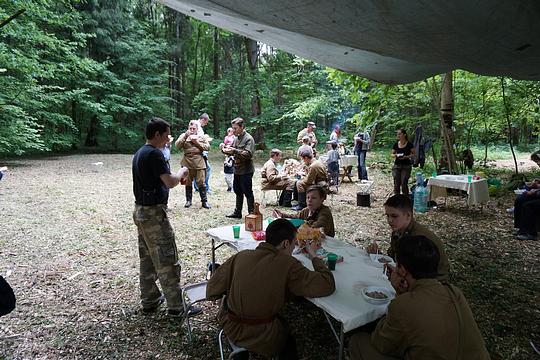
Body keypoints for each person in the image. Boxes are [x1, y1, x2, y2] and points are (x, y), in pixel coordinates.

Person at [206, 218, 335, 359]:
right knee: (289, 341)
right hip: (262, 335)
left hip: (229, 325)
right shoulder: (289, 265)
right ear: (286, 243)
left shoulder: (241, 256)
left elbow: (211, 291)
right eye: (294, 244)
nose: (293, 248)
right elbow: (326, 284)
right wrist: (314, 256)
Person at [349, 235, 490, 360]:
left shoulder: (403, 306)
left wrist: (399, 295)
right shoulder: (454, 292)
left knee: (358, 341)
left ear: (402, 270)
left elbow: (381, 344)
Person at [132, 117, 191, 317]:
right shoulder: (154, 154)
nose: (168, 139)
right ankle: (176, 307)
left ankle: (150, 300)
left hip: (141, 211)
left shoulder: (140, 152)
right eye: (166, 135)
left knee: (147, 258)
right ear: (156, 134)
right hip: (154, 215)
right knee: (167, 258)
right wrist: (182, 171)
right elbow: (170, 182)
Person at [367, 194, 449, 281]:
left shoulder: (419, 239)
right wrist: (378, 256)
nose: (389, 220)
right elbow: (395, 259)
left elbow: (419, 273)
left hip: (432, 282)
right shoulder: (398, 232)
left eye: (394, 216)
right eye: (387, 216)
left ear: (408, 216)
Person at [223, 117, 255, 218]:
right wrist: (224, 149)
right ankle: (237, 212)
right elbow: (230, 151)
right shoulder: (236, 138)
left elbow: (248, 154)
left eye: (235, 128)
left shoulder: (249, 138)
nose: (233, 130)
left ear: (242, 127)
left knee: (248, 192)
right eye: (233, 128)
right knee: (238, 191)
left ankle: (251, 213)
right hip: (237, 169)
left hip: (246, 169)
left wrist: (235, 151)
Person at [175, 120, 211, 209]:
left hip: (199, 160)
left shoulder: (201, 136)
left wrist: (196, 143)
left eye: (193, 128)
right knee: (188, 181)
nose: (191, 130)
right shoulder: (183, 135)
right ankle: (188, 201)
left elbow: (207, 147)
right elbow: (177, 146)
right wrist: (185, 136)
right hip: (187, 161)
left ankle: (204, 202)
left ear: (197, 129)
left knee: (201, 182)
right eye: (190, 128)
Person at [391, 128, 415, 195]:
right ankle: (397, 198)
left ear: (404, 135)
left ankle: (405, 199)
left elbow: (414, 154)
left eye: (399, 134)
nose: (398, 135)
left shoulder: (409, 144)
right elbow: (392, 154)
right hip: (397, 165)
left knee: (404, 182)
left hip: (406, 166)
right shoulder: (396, 144)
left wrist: (406, 157)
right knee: (396, 183)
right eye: (397, 134)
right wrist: (396, 155)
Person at [193, 113, 212, 193]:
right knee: (207, 169)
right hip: (200, 151)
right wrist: (205, 140)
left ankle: (198, 187)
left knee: (199, 169)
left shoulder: (199, 126)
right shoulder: (196, 125)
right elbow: (197, 139)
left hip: (201, 150)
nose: (206, 124)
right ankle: (205, 187)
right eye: (206, 122)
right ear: (203, 119)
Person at [220, 127, 236, 192]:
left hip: (232, 155)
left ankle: (233, 187)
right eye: (228, 131)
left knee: (231, 173)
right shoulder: (226, 137)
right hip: (227, 154)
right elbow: (224, 144)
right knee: (226, 173)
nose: (229, 132)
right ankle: (229, 187)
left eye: (231, 131)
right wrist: (223, 147)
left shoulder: (235, 138)